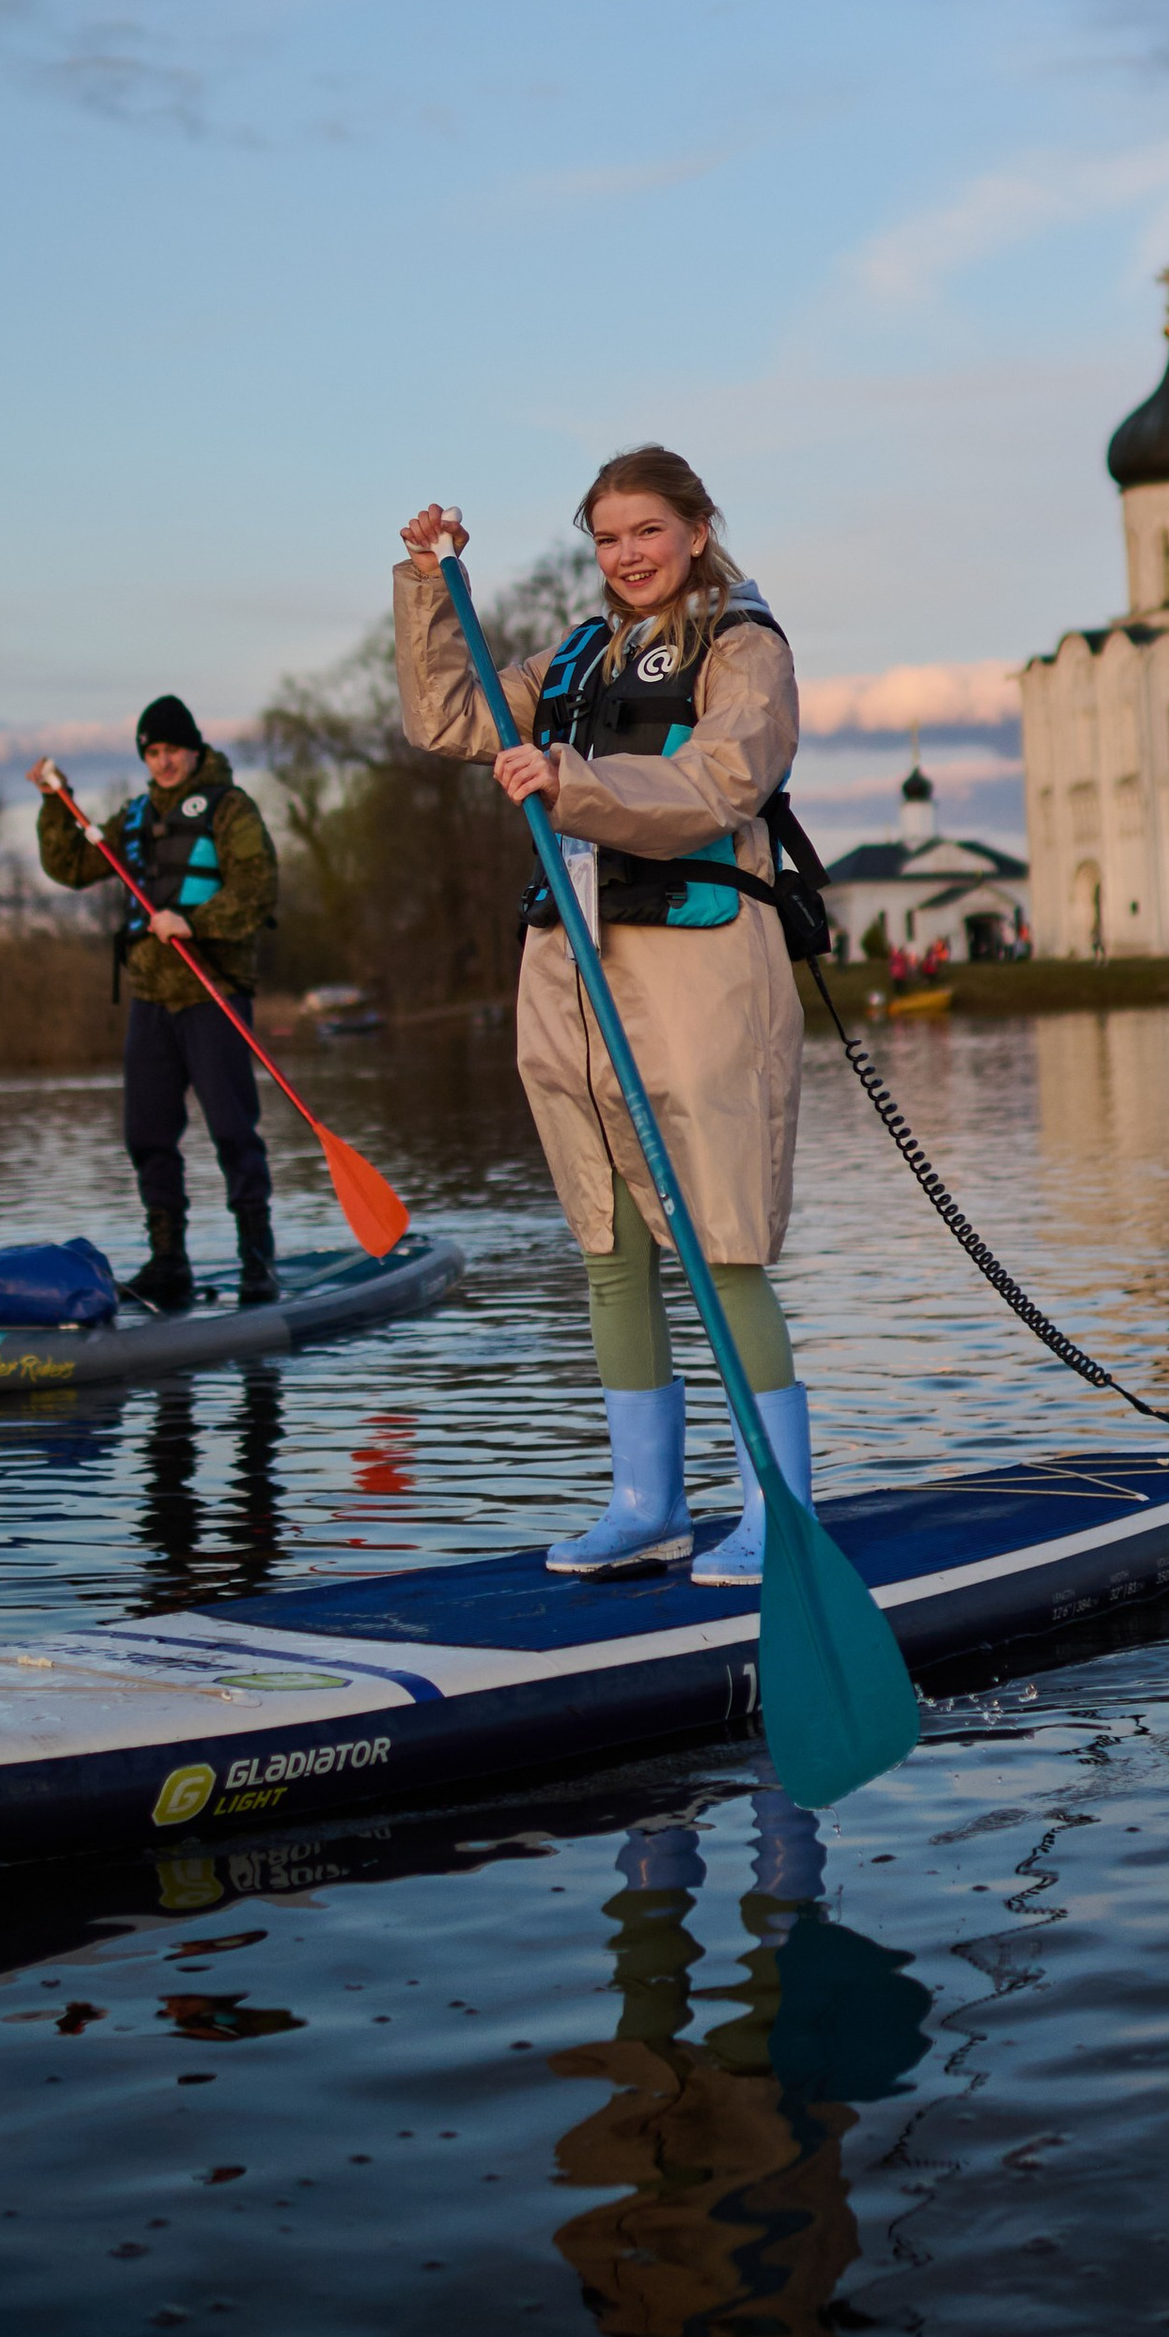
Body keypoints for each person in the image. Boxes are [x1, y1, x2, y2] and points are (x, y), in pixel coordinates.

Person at [395, 452, 807, 1588]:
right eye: (606, 537)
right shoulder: (577, 654)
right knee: (609, 1248)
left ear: (695, 527)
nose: (627, 556)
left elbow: (724, 783)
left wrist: (568, 783)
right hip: (572, 979)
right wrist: (432, 585)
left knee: (720, 1242)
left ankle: (782, 1510)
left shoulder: (744, 648)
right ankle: (647, 1506)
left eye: (647, 532)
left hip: (697, 974)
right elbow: (449, 719)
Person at [29, 696, 279, 1312]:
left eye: (171, 750)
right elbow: (70, 865)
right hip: (150, 998)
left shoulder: (230, 808)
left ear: (193, 749)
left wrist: (193, 921)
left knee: (231, 1131)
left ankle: (257, 1263)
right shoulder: (135, 816)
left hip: (213, 991)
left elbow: (259, 887)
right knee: (146, 1134)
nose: (163, 762)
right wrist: (51, 803)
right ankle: (169, 1263)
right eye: (153, 753)